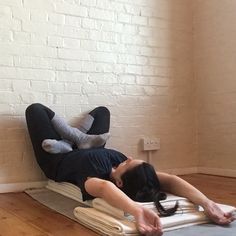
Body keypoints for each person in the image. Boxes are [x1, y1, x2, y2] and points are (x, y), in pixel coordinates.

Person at [25, 103, 235, 236]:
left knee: (36, 110)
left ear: (119, 182)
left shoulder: (96, 180)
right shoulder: (136, 173)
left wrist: (137, 211)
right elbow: (170, 180)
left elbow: (105, 188)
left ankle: (71, 143)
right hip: (93, 146)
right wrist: (207, 203)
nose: (129, 158)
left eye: (125, 164)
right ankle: (79, 140)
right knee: (102, 111)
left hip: (57, 158)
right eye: (129, 160)